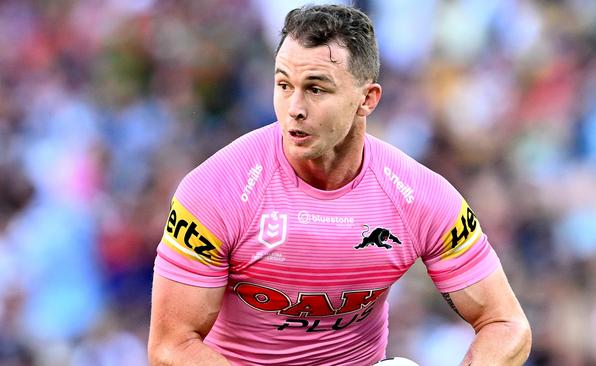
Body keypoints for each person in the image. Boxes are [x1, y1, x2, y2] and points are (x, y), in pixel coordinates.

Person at [148, 4, 531, 366]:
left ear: (367, 99)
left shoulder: (419, 196)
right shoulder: (217, 189)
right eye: (284, 85)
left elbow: (506, 325)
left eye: (316, 88)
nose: (294, 107)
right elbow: (171, 347)